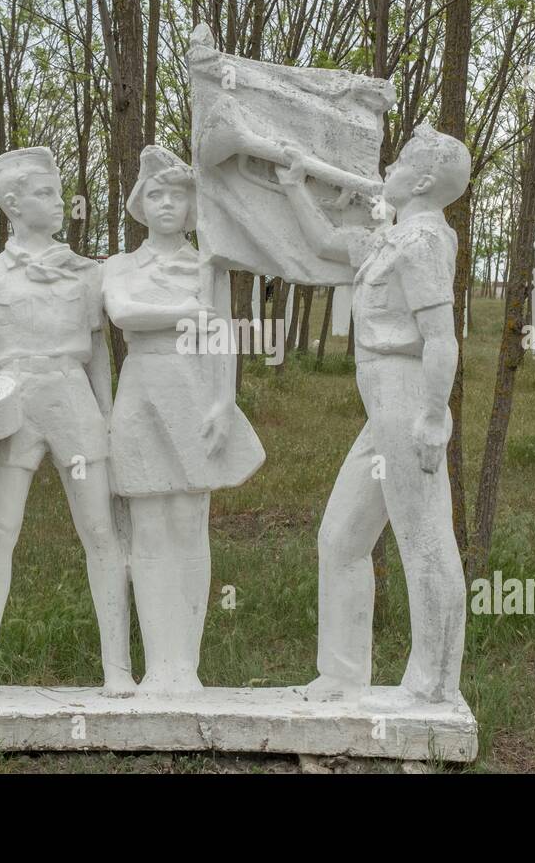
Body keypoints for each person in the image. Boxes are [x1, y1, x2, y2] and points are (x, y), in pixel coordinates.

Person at [0, 146, 134, 702]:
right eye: (45, 194)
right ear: (12, 203)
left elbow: (98, 354)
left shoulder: (87, 273)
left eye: (58, 193)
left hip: (73, 401)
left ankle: (118, 669)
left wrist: (108, 421)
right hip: (12, 405)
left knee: (101, 531)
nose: (59, 203)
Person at [276, 125, 469, 707]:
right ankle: (340, 674)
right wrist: (292, 185)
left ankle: (433, 682)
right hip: (380, 407)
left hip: (407, 398)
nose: (391, 165)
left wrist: (434, 418)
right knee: (340, 538)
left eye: (403, 160)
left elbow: (441, 339)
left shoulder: (423, 243)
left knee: (425, 539)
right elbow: (326, 242)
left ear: (425, 180)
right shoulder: (392, 238)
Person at [103, 145, 265, 696]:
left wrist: (225, 402)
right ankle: (157, 666)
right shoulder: (119, 266)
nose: (167, 203)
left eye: (177, 194)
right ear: (140, 204)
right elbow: (123, 313)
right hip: (141, 395)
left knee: (189, 524)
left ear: (193, 204)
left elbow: (224, 337)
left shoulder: (208, 264)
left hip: (195, 393)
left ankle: (186, 666)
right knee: (148, 527)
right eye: (156, 194)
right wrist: (190, 312)